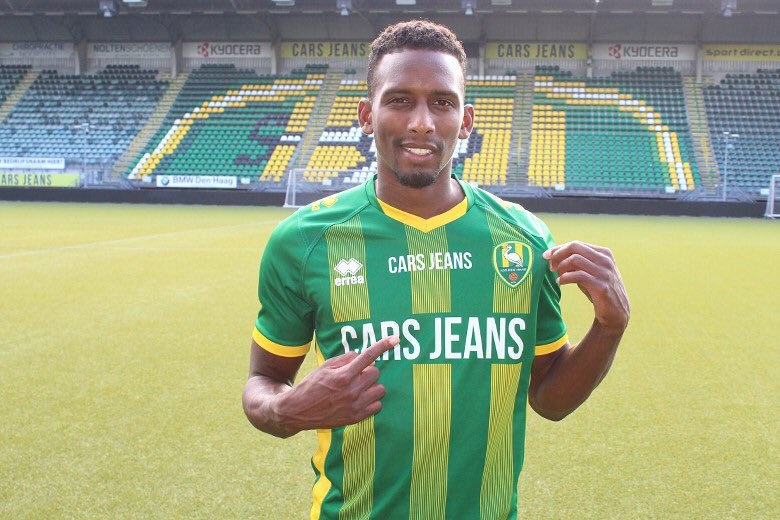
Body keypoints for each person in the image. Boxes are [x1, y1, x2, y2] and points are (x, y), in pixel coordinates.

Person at [243, 20, 630, 519]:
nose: (422, 122)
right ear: (367, 115)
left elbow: (550, 399)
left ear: (465, 121)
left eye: (442, 103)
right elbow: (264, 379)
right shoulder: (304, 241)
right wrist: (285, 409)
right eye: (400, 100)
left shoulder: (523, 240)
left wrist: (609, 328)